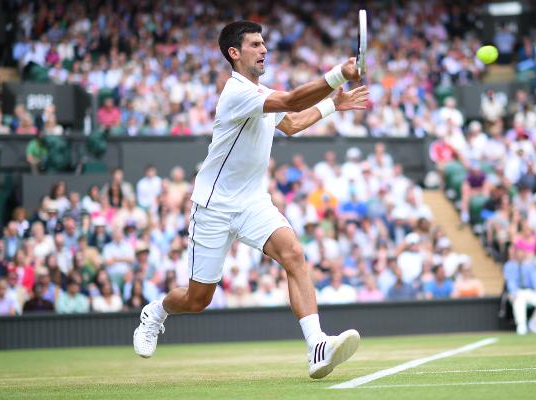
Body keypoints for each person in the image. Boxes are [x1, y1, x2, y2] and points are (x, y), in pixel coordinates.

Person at [133, 20, 368, 379]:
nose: (264, 50)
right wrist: (338, 74)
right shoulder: (236, 92)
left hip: (253, 202)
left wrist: (333, 105)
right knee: (197, 300)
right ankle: (157, 311)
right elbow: (289, 101)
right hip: (213, 207)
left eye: (264, 44)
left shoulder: (260, 94)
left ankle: (317, 345)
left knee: (294, 253)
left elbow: (290, 122)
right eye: (255, 45)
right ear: (234, 53)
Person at [504, 248, 536, 335]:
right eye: (518, 254)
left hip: (528, 292)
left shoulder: (529, 266)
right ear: (515, 255)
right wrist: (514, 293)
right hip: (515, 292)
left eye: (522, 254)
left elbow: (534, 281)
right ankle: (521, 325)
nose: (520, 256)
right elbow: (510, 282)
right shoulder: (509, 266)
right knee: (519, 300)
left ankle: (534, 323)